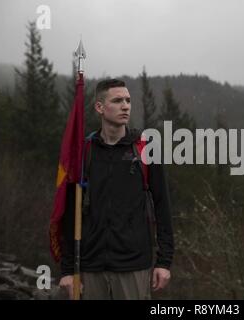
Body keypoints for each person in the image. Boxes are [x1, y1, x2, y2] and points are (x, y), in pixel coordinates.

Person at [58, 79, 174, 300]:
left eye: (128, 100)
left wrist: (164, 261)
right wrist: (66, 269)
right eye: (118, 100)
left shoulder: (146, 149)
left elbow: (163, 208)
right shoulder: (84, 153)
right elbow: (69, 213)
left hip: (133, 266)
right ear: (100, 107)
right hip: (90, 266)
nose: (125, 106)